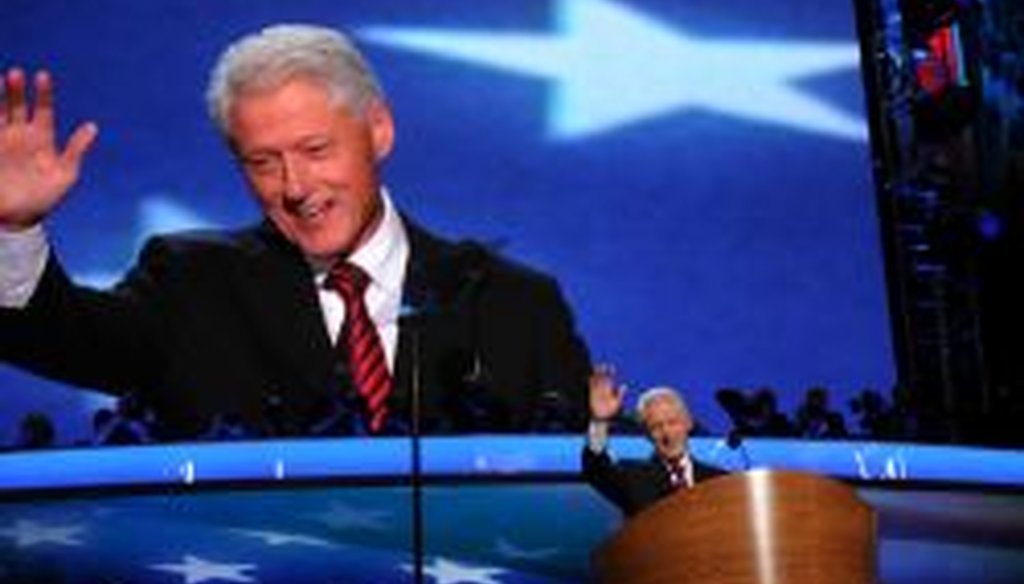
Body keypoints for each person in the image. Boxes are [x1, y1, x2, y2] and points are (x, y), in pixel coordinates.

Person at [0, 24, 591, 440]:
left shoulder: (513, 304)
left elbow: (590, 476)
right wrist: (13, 228)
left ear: (378, 131)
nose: (295, 186)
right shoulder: (192, 284)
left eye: (315, 149)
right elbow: (58, 336)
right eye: (263, 162)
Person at [581, 366, 724, 517]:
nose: (667, 433)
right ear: (646, 434)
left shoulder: (717, 481)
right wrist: (600, 421)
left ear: (689, 423)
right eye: (656, 427)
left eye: (672, 422)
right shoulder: (631, 478)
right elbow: (595, 468)